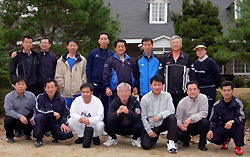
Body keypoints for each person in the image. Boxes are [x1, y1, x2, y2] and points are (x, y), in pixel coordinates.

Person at [140, 75, 178, 153]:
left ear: (162, 86)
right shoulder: (145, 98)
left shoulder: (167, 95)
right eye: (155, 85)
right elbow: (143, 117)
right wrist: (149, 131)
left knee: (172, 118)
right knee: (145, 146)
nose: (157, 87)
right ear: (151, 85)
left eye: (159, 85)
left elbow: (172, 110)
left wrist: (160, 115)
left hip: (163, 122)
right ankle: (153, 137)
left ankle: (171, 142)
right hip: (152, 125)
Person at [207, 81, 246, 156]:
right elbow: (213, 120)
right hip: (223, 126)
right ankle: (225, 140)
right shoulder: (217, 105)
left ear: (232, 91)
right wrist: (210, 130)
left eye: (229, 90)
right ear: (221, 92)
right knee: (211, 137)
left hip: (235, 125)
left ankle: (238, 146)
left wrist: (232, 121)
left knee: (240, 127)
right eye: (224, 90)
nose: (226, 93)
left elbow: (242, 117)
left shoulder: (238, 103)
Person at [33, 78, 73, 147]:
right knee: (39, 117)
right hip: (45, 122)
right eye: (48, 87)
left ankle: (55, 135)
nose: (50, 89)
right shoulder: (40, 97)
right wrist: (52, 113)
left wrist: (63, 123)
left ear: (56, 88)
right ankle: (39, 139)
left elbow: (65, 112)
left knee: (68, 134)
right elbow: (38, 110)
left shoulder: (61, 99)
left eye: (52, 87)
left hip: (56, 123)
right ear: (45, 88)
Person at [160, 35, 195, 109]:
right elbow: (161, 74)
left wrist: (190, 89)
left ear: (181, 45)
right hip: (168, 93)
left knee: (182, 114)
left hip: (183, 93)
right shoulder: (165, 58)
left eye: (177, 43)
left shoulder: (187, 58)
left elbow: (192, 75)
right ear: (170, 45)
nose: (175, 44)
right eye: (173, 43)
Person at [86, 31, 114, 125]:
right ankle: (93, 125)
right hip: (95, 85)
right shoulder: (93, 53)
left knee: (106, 106)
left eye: (105, 39)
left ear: (108, 41)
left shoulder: (112, 54)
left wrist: (110, 85)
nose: (103, 41)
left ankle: (105, 125)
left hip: (107, 87)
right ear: (98, 41)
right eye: (101, 39)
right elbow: (88, 69)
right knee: (94, 106)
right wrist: (90, 83)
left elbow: (114, 71)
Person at [103, 82, 142, 147]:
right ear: (118, 93)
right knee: (108, 124)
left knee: (139, 125)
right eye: (121, 91)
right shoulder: (114, 103)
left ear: (130, 93)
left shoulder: (135, 102)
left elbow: (138, 117)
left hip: (131, 127)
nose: (124, 93)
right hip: (119, 127)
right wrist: (117, 112)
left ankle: (136, 139)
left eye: (126, 91)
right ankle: (112, 138)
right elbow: (109, 118)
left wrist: (128, 112)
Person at [176, 80, 209, 151]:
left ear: (198, 90)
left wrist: (191, 118)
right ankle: (186, 140)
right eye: (190, 89)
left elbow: (204, 113)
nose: (192, 91)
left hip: (198, 124)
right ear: (187, 91)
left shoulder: (203, 98)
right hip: (186, 126)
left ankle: (202, 144)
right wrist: (180, 125)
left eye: (194, 89)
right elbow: (178, 117)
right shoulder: (182, 102)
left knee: (205, 122)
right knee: (178, 132)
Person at [68, 83, 104, 148]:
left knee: (100, 125)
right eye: (83, 92)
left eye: (87, 92)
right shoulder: (77, 101)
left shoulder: (97, 101)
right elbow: (72, 113)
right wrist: (79, 118)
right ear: (81, 93)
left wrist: (89, 120)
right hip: (82, 122)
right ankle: (82, 136)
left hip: (93, 123)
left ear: (91, 92)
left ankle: (95, 137)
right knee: (70, 121)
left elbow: (100, 116)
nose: (85, 94)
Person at [55, 39, 87, 108]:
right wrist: (63, 85)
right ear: (67, 46)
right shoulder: (61, 61)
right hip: (66, 92)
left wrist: (82, 83)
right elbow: (58, 75)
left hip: (79, 91)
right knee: (65, 110)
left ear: (77, 47)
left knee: (79, 109)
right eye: (71, 45)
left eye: (74, 46)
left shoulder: (82, 60)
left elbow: (85, 73)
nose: (72, 47)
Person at [4, 76, 36, 143]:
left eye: (23, 84)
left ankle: (28, 134)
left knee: (35, 118)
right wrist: (20, 116)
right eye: (18, 84)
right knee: (8, 120)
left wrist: (33, 117)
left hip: (27, 119)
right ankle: (10, 136)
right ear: (14, 86)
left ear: (26, 86)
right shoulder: (9, 96)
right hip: (15, 119)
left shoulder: (31, 96)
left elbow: (35, 108)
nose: (20, 86)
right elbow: (8, 111)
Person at [194, 42, 221, 119]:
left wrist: (214, 86)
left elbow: (217, 76)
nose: (199, 52)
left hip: (209, 88)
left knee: (209, 110)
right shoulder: (196, 63)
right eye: (197, 50)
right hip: (199, 89)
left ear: (205, 51)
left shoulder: (210, 62)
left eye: (201, 50)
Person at [103, 39, 134, 103]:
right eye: (118, 47)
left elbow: (134, 74)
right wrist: (107, 87)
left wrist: (135, 86)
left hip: (127, 90)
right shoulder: (110, 61)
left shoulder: (130, 61)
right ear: (115, 48)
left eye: (122, 46)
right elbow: (106, 74)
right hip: (114, 90)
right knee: (115, 110)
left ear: (125, 48)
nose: (120, 48)